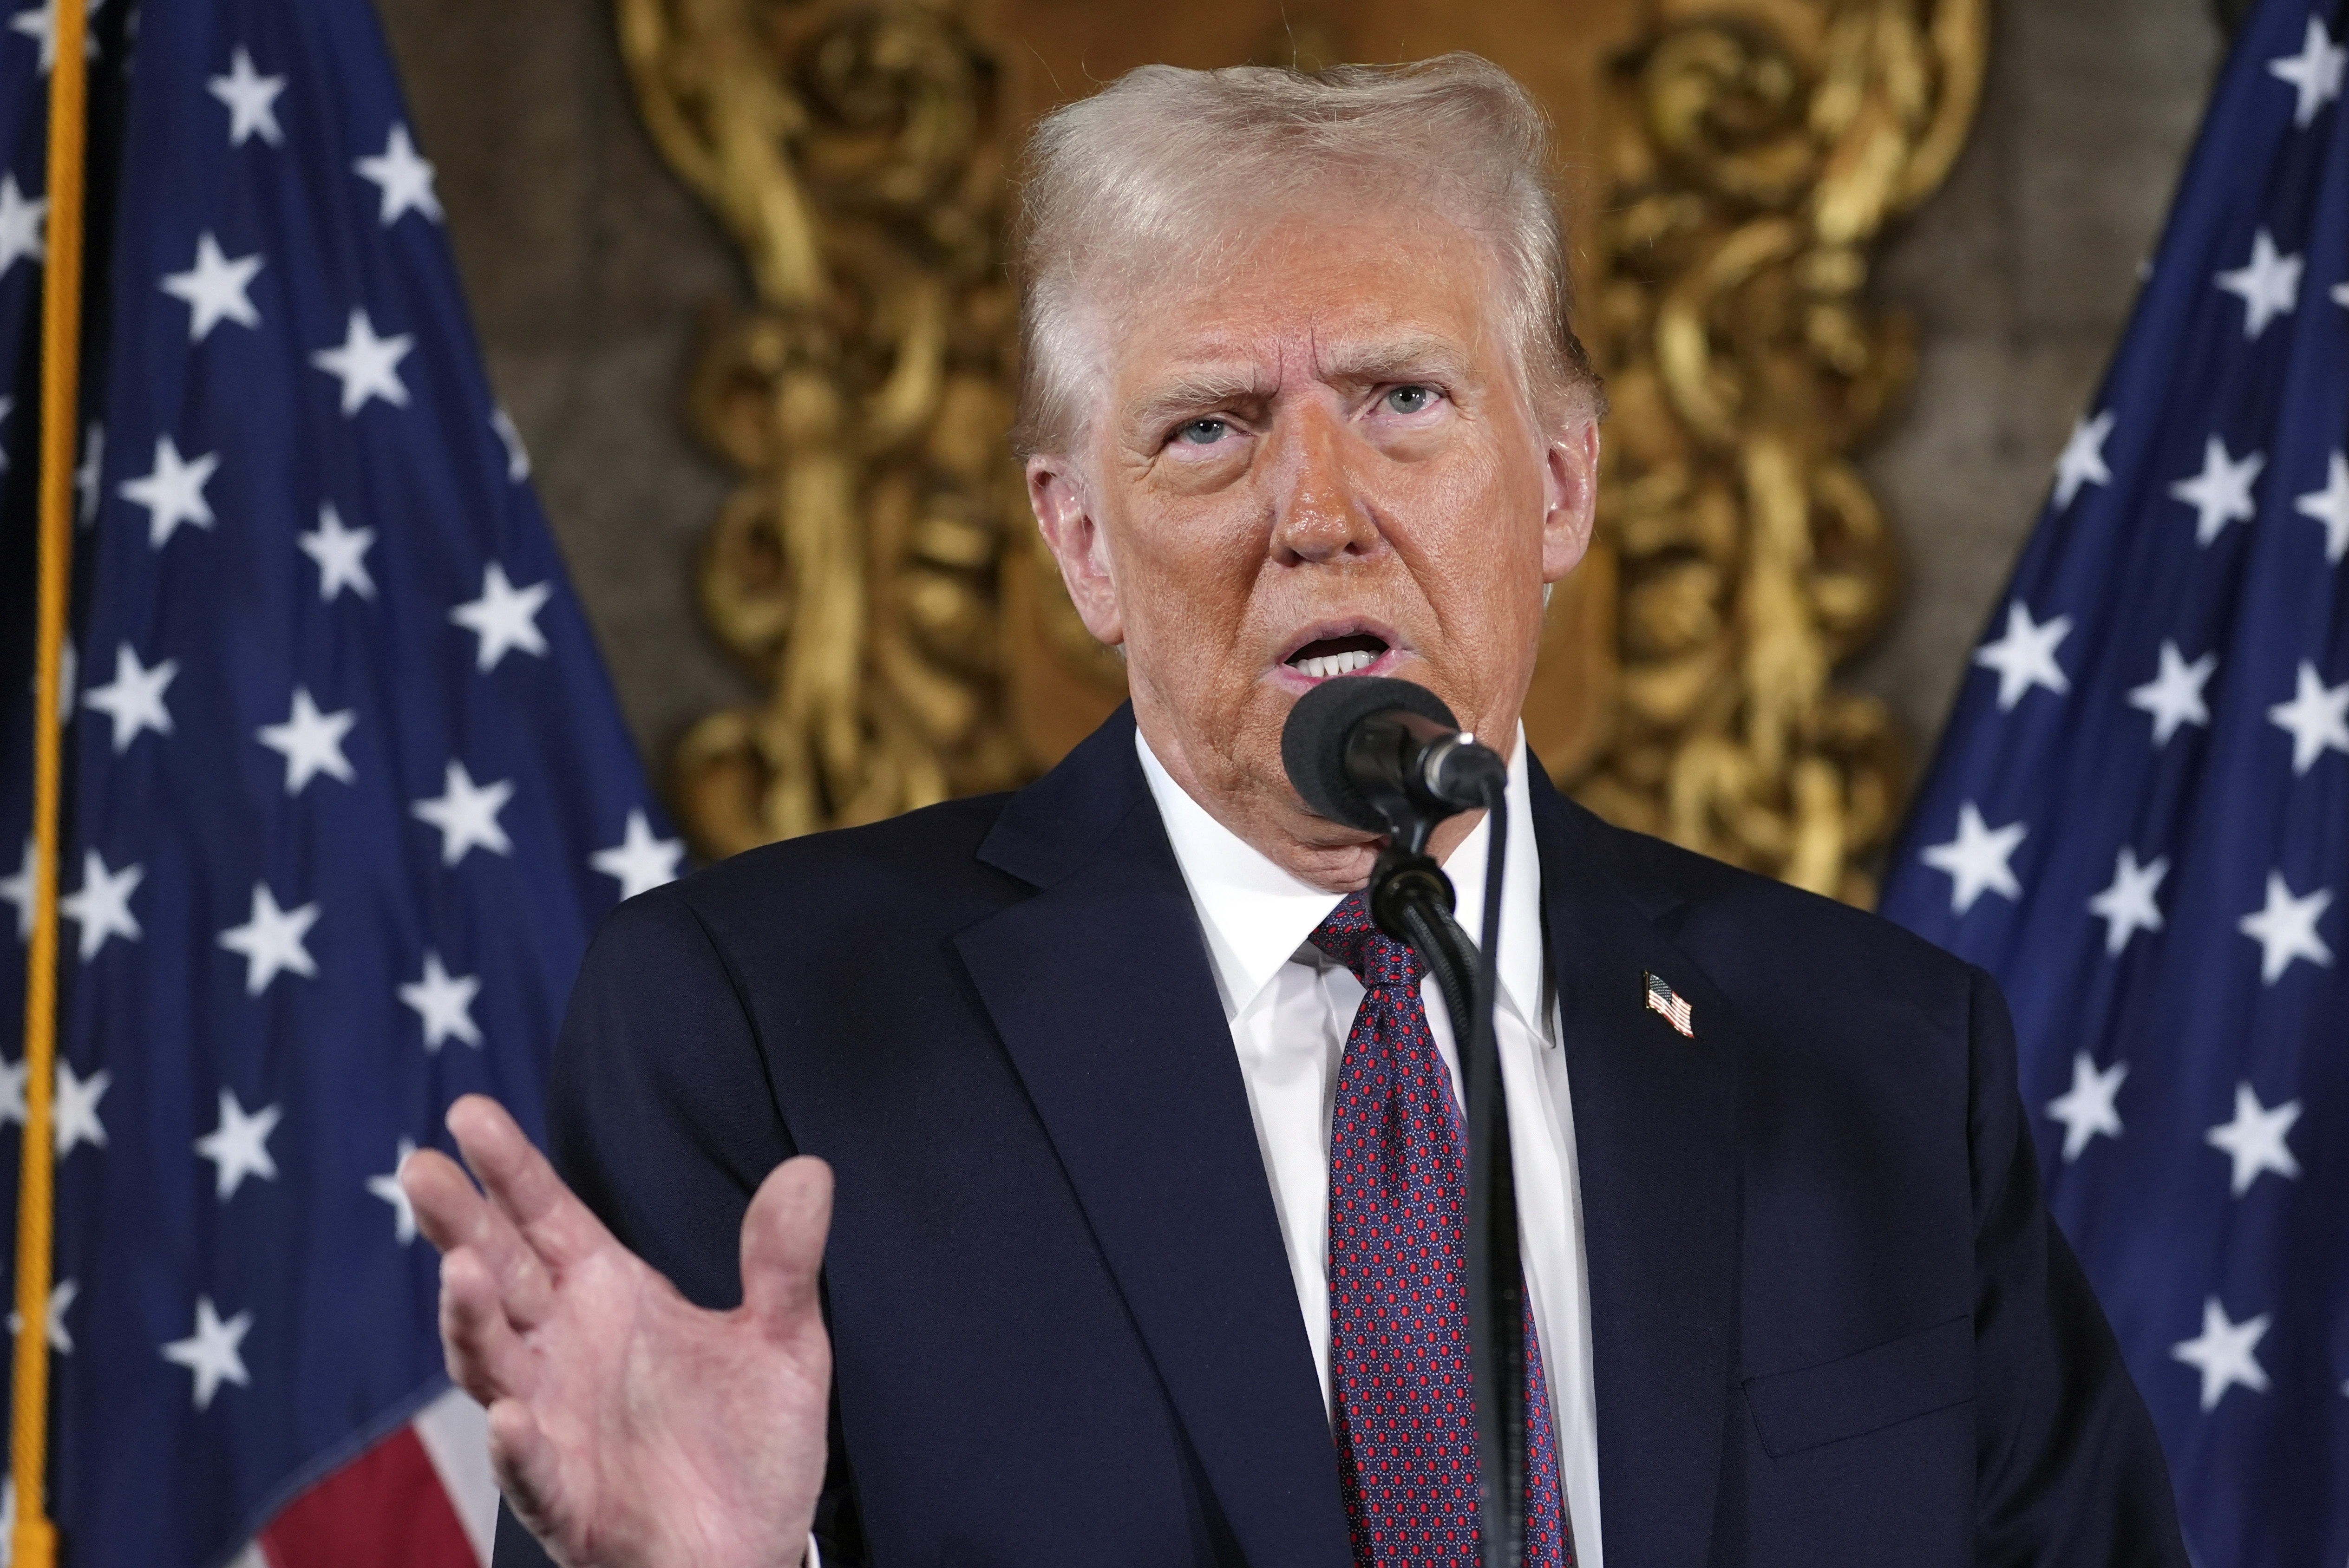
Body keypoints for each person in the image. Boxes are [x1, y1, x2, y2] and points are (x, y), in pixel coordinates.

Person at [401, 54, 2189, 1568]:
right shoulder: (762, 1028)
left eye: (1403, 401)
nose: (1315, 512)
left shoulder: (1877, 1056)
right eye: (1207, 431)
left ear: (1559, 484)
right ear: (1079, 542)